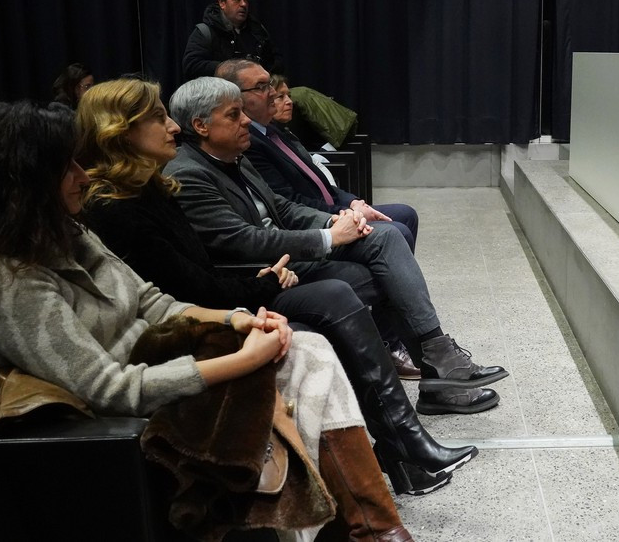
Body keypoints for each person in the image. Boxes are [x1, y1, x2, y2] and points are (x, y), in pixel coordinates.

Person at [0, 102, 411, 541]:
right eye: (68, 166)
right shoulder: (4, 281)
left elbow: (154, 303)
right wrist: (243, 361)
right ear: (21, 184)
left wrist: (238, 321)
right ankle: (370, 527)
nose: (83, 175)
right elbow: (111, 390)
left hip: (159, 366)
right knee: (289, 367)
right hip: (111, 423)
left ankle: (371, 528)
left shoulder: (67, 231)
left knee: (302, 348)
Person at [74, 78, 479, 496]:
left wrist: (335, 219)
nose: (172, 127)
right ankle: (405, 438)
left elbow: (264, 221)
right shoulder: (127, 204)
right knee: (343, 291)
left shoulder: (157, 186)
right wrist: (264, 281)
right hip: (191, 323)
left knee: (377, 251)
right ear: (120, 133)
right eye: (159, 118)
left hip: (236, 287)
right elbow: (188, 286)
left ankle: (407, 433)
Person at [162, 77, 508, 411]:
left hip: (290, 253)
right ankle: (435, 374)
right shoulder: (189, 173)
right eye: (234, 114)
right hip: (263, 272)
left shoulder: (235, 155)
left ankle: (439, 359)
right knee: (383, 276)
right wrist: (329, 237)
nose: (245, 121)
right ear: (201, 125)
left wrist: (333, 221)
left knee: (386, 236)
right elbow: (242, 241)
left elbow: (282, 207)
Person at [217, 59, 421, 253]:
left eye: (270, 84)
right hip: (315, 222)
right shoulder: (249, 144)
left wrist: (352, 202)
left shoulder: (274, 130)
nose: (272, 92)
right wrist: (344, 213)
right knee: (396, 231)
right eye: (262, 87)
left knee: (406, 214)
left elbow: (318, 181)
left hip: (333, 206)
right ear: (236, 98)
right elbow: (289, 202)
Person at [183, 0, 284, 80]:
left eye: (246, 0)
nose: (243, 4)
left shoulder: (257, 31)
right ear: (222, 2)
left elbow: (277, 60)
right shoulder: (205, 32)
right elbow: (191, 65)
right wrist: (230, 69)